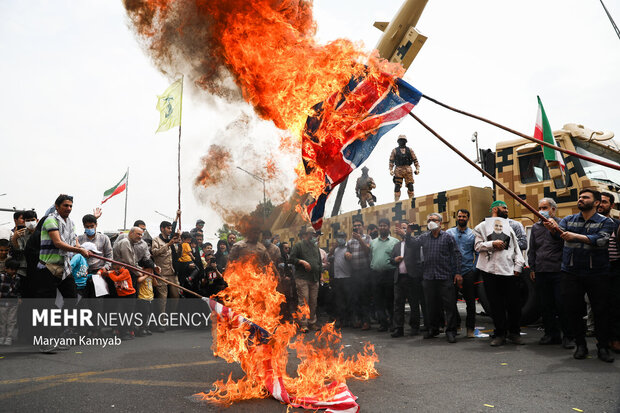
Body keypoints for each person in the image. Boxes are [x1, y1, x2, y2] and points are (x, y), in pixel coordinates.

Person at [544, 188, 616, 362]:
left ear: (596, 202)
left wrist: (576, 236)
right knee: (573, 311)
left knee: (601, 311)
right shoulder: (569, 220)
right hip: (571, 273)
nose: (581, 199)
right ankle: (580, 345)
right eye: (580, 197)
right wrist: (553, 230)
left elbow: (601, 240)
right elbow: (558, 238)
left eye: (585, 197)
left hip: (597, 273)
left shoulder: (607, 222)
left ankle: (603, 347)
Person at [474, 201, 525, 346]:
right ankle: (500, 334)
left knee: (514, 304)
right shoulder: (481, 227)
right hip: (490, 271)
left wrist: (518, 267)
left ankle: (514, 333)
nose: (507, 210)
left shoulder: (510, 228)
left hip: (509, 271)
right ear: (495, 209)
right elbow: (477, 247)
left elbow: (516, 250)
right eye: (504, 208)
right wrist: (492, 244)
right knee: (496, 304)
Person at [528, 198, 574, 349]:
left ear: (553, 210)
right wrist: (533, 268)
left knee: (562, 305)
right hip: (541, 271)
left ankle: (568, 336)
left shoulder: (563, 224)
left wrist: (554, 230)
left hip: (558, 271)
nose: (541, 210)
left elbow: (567, 244)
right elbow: (532, 249)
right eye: (539, 207)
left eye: (545, 207)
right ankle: (551, 334)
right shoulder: (535, 227)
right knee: (545, 305)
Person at [416, 213, 462, 343]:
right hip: (429, 277)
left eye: (433, 220)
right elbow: (412, 244)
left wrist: (458, 273)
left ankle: (451, 331)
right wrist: (407, 234)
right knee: (431, 305)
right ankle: (433, 329)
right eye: (429, 220)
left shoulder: (448, 237)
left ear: (440, 223)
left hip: (445, 276)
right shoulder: (424, 237)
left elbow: (456, 255)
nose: (430, 222)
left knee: (449, 306)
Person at [446, 209, 478, 338]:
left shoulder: (473, 234)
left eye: (464, 216)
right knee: (451, 301)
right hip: (451, 272)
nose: (461, 218)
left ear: (468, 218)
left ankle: (470, 329)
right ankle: (456, 325)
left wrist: (474, 269)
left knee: (470, 302)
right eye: (459, 216)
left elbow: (477, 253)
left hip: (467, 271)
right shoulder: (449, 233)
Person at [391, 221, 424, 337]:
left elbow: (414, 245)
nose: (402, 231)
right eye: (401, 229)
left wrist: (406, 235)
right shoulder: (396, 245)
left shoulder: (414, 243)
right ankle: (398, 328)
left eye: (405, 229)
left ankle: (415, 327)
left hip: (411, 278)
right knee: (398, 305)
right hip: (399, 278)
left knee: (414, 303)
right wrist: (394, 260)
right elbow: (390, 260)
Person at [369, 218, 400, 332]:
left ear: (388, 227)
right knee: (378, 301)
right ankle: (383, 323)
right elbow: (371, 258)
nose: (382, 228)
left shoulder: (395, 242)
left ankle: (392, 323)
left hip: (389, 274)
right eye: (380, 226)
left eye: (384, 226)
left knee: (390, 300)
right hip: (376, 275)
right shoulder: (373, 242)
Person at [290, 227, 322, 332]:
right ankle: (303, 324)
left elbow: (319, 262)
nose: (314, 237)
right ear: (306, 235)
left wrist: (320, 274)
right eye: (312, 234)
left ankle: (312, 322)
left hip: (314, 278)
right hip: (302, 278)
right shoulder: (298, 245)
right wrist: (302, 262)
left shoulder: (315, 247)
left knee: (313, 301)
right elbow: (291, 259)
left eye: (315, 235)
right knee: (304, 301)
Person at [151, 220, 180, 331]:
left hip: (172, 273)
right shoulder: (156, 240)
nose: (170, 230)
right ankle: (161, 323)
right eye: (168, 228)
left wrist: (179, 244)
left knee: (175, 296)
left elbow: (178, 255)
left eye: (171, 228)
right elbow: (155, 253)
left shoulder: (172, 240)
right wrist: (168, 245)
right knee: (162, 299)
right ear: (162, 228)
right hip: (161, 273)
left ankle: (170, 319)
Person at [346, 217, 372, 330]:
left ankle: (367, 321)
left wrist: (360, 239)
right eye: (355, 226)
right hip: (355, 273)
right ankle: (359, 320)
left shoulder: (368, 238)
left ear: (363, 226)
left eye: (358, 225)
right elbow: (347, 253)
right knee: (356, 298)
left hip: (365, 272)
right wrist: (347, 254)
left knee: (365, 297)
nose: (356, 227)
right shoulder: (350, 241)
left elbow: (367, 251)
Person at [329, 231, 354, 328]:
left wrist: (350, 256)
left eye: (342, 237)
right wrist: (333, 248)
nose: (340, 239)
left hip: (347, 277)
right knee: (339, 301)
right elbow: (329, 257)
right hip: (337, 278)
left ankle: (350, 320)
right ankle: (342, 320)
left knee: (349, 300)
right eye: (338, 237)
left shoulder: (349, 247)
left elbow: (353, 258)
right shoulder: (335, 249)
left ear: (345, 237)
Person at [388, 135, 420, 201]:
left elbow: (415, 160)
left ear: (405, 141)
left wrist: (417, 169)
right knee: (397, 186)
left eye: (403, 140)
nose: (402, 142)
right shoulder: (395, 151)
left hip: (408, 169)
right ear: (398, 142)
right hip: (398, 169)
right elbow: (391, 161)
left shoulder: (409, 150)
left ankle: (411, 200)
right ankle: (396, 201)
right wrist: (391, 170)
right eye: (400, 140)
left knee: (410, 185)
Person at [0, 259, 20, 346]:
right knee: (3, 321)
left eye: (15, 270)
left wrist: (19, 297)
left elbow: (18, 289)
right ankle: (2, 337)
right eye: (11, 269)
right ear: (6, 269)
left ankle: (9, 337)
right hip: (3, 302)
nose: (13, 271)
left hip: (13, 302)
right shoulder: (1, 277)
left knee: (11, 320)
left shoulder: (17, 278)